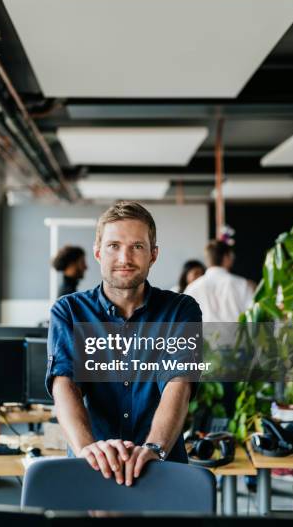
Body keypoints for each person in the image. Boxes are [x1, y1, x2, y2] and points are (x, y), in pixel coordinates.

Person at [46, 201, 201, 487]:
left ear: (153, 255)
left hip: (163, 469)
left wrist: (155, 447)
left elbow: (178, 383)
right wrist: (86, 449)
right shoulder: (68, 311)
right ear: (97, 252)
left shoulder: (181, 310)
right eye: (114, 245)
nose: (124, 258)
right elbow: (64, 384)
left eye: (137, 246)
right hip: (93, 467)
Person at [184, 240, 254, 322]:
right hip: (235, 334)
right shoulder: (242, 284)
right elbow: (253, 318)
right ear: (226, 257)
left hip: (201, 334)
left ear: (207, 260)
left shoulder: (191, 288)